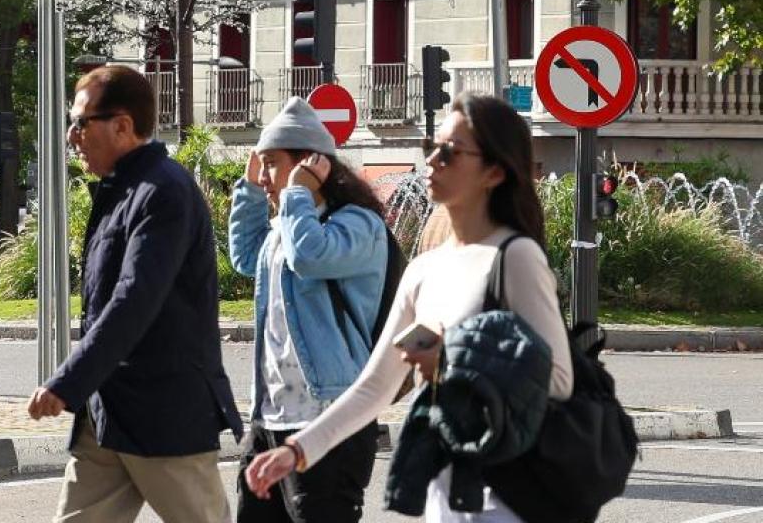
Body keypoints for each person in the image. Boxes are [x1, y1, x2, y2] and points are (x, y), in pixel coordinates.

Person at [243, 93, 573, 522]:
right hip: (448, 486)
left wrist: (451, 360)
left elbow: (560, 381)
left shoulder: (515, 258)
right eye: (430, 148)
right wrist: (297, 450)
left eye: (451, 152)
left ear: (494, 171)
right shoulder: (424, 269)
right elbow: (373, 388)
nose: (433, 161)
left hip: (510, 494)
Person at [28, 64, 242, 523]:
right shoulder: (121, 191)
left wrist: (68, 381)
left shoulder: (164, 191)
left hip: (165, 416)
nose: (72, 136)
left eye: (81, 122)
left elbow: (134, 298)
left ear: (122, 126)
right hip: (108, 415)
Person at [229, 98, 390, 523]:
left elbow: (311, 257)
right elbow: (246, 256)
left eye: (273, 164)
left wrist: (296, 191)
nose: (265, 177)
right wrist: (248, 191)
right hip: (270, 417)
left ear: (313, 165)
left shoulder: (357, 225)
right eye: (261, 165)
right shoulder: (285, 226)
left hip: (329, 418)